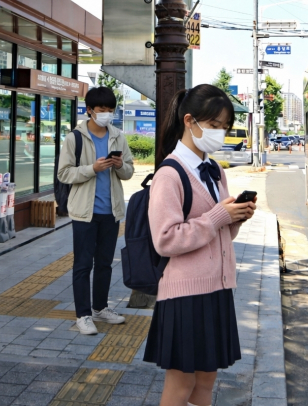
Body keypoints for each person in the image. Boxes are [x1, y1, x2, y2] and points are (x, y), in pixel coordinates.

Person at [143, 84, 257, 406]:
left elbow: (220, 234)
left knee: (206, 382)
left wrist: (236, 218)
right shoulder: (170, 174)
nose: (220, 133)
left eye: (225, 127)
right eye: (214, 125)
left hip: (217, 288)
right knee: (182, 384)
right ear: (189, 121)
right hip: (185, 293)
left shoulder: (215, 170)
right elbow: (165, 239)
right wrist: (218, 217)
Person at [57, 86, 134, 335]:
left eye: (110, 110)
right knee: (82, 264)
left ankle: (100, 308)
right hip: (84, 213)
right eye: (102, 109)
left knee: (104, 264)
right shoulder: (75, 138)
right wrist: (93, 168)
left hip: (111, 212)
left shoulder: (118, 137)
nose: (107, 114)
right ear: (89, 110)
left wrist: (120, 165)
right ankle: (83, 315)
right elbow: (64, 173)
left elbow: (129, 172)